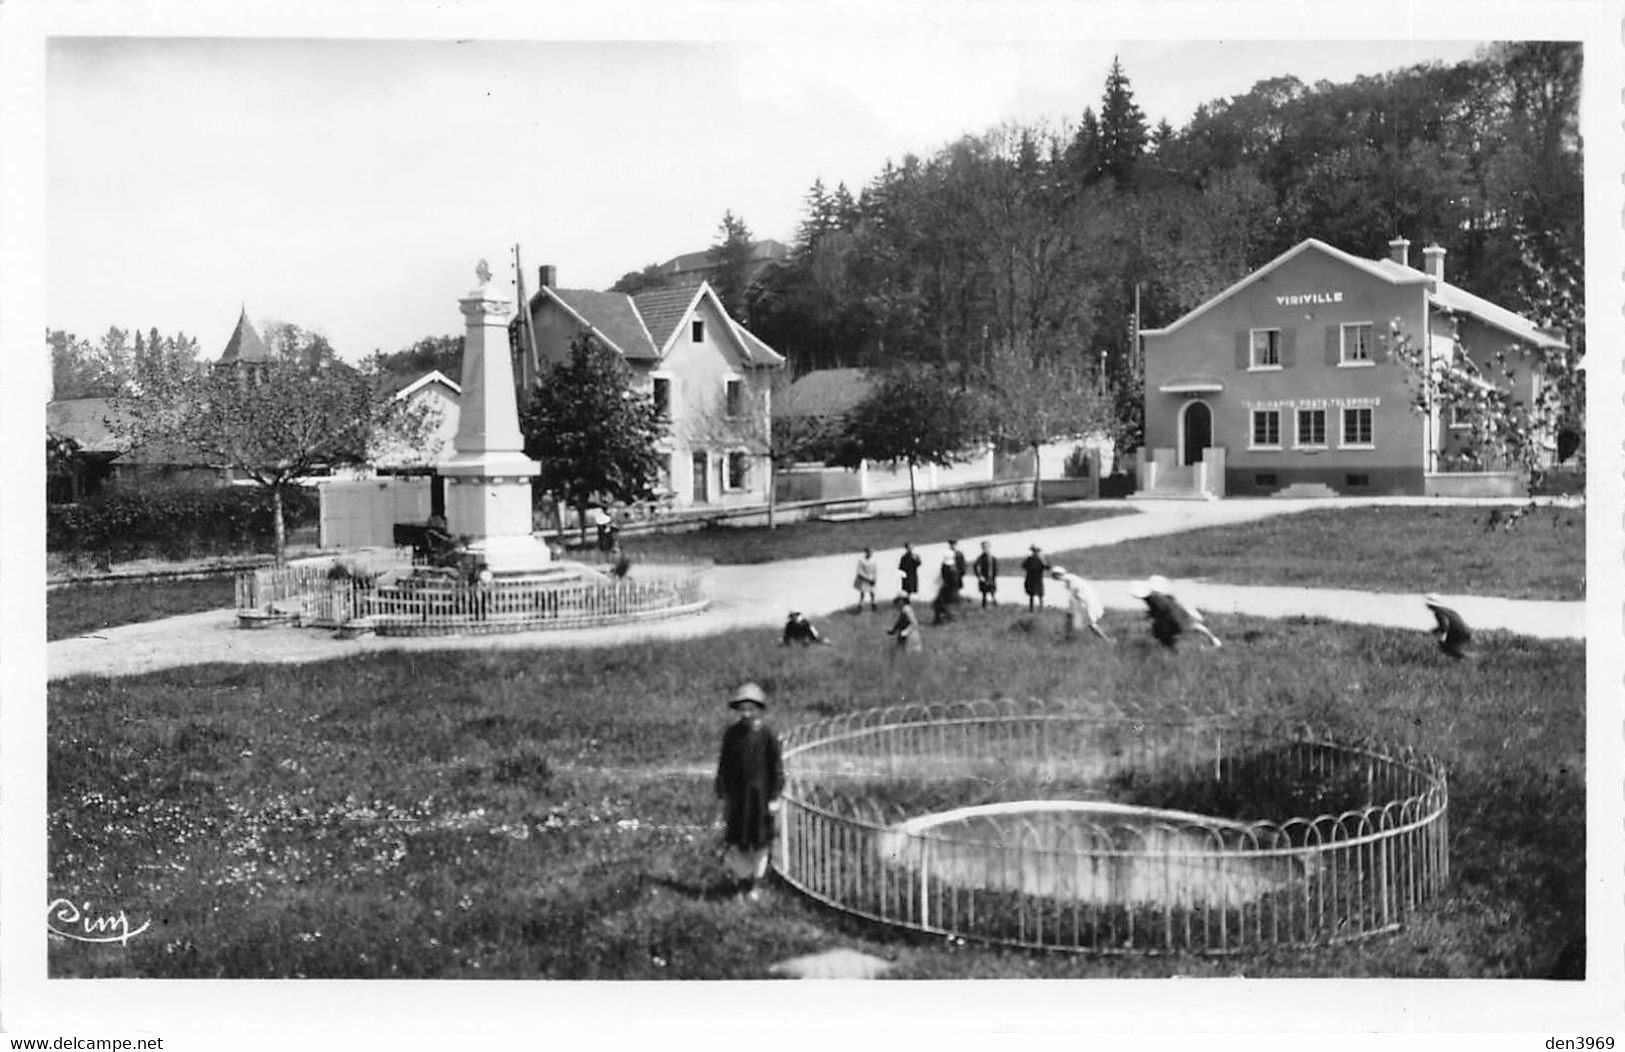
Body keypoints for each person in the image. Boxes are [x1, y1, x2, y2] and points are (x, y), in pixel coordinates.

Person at [714, 682, 784, 902]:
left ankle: (756, 884)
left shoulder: (767, 736)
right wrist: (722, 791)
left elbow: (776, 769)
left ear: (759, 709)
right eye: (742, 709)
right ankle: (741, 882)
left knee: (760, 841)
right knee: (738, 841)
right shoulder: (732, 735)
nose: (746, 713)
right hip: (738, 799)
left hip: (760, 798)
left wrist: (774, 797)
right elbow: (724, 764)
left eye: (750, 708)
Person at [1130, 575, 1222, 650]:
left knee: (1162, 634)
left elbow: (1161, 613)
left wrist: (1155, 619)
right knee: (1194, 626)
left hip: (1174, 622)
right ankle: (1213, 639)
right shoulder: (1163, 597)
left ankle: (1173, 650)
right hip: (1182, 617)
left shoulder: (1152, 600)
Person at [1050, 566, 1111, 641]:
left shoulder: (1070, 580)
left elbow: (1076, 595)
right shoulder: (1070, 578)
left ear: (1057, 574)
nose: (1053, 578)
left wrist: (1074, 609)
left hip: (1085, 603)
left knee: (1090, 624)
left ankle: (1106, 639)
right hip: (1083, 602)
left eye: (1054, 575)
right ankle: (1068, 637)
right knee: (1071, 618)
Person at [1423, 593, 1472, 659]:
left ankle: (1468, 659)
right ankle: (1465, 660)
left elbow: (1444, 626)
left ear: (1430, 605)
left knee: (1446, 648)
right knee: (1452, 651)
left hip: (1458, 633)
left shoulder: (1439, 612)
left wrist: (1435, 634)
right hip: (1464, 632)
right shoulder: (1447, 610)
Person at [931, 552, 962, 625]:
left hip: (950, 590)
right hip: (948, 589)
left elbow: (953, 582)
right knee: (938, 604)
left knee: (940, 604)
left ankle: (948, 618)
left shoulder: (952, 570)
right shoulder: (948, 567)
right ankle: (940, 619)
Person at [1021, 544, 1049, 612]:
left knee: (1040, 595)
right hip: (1031, 579)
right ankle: (1032, 609)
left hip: (1038, 579)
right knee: (1032, 595)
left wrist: (1043, 560)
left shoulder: (1041, 559)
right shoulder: (1029, 559)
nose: (1035, 553)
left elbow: (1047, 567)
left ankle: (1040, 608)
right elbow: (1023, 566)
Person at [972, 540, 999, 608]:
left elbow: (995, 567)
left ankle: (994, 603)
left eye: (987, 547)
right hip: (984, 577)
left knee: (992, 591)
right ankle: (984, 605)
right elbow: (976, 566)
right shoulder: (980, 558)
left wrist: (995, 574)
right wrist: (979, 576)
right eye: (984, 548)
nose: (986, 549)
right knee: (984, 592)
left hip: (991, 577)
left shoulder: (992, 558)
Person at [853, 547, 879, 612]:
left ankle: (873, 604)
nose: (870, 554)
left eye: (871, 553)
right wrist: (867, 579)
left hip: (871, 578)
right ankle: (860, 605)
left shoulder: (873, 561)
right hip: (864, 579)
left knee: (872, 592)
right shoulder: (861, 561)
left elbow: (875, 571)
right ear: (866, 553)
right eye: (869, 552)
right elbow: (859, 571)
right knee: (862, 593)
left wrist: (874, 579)